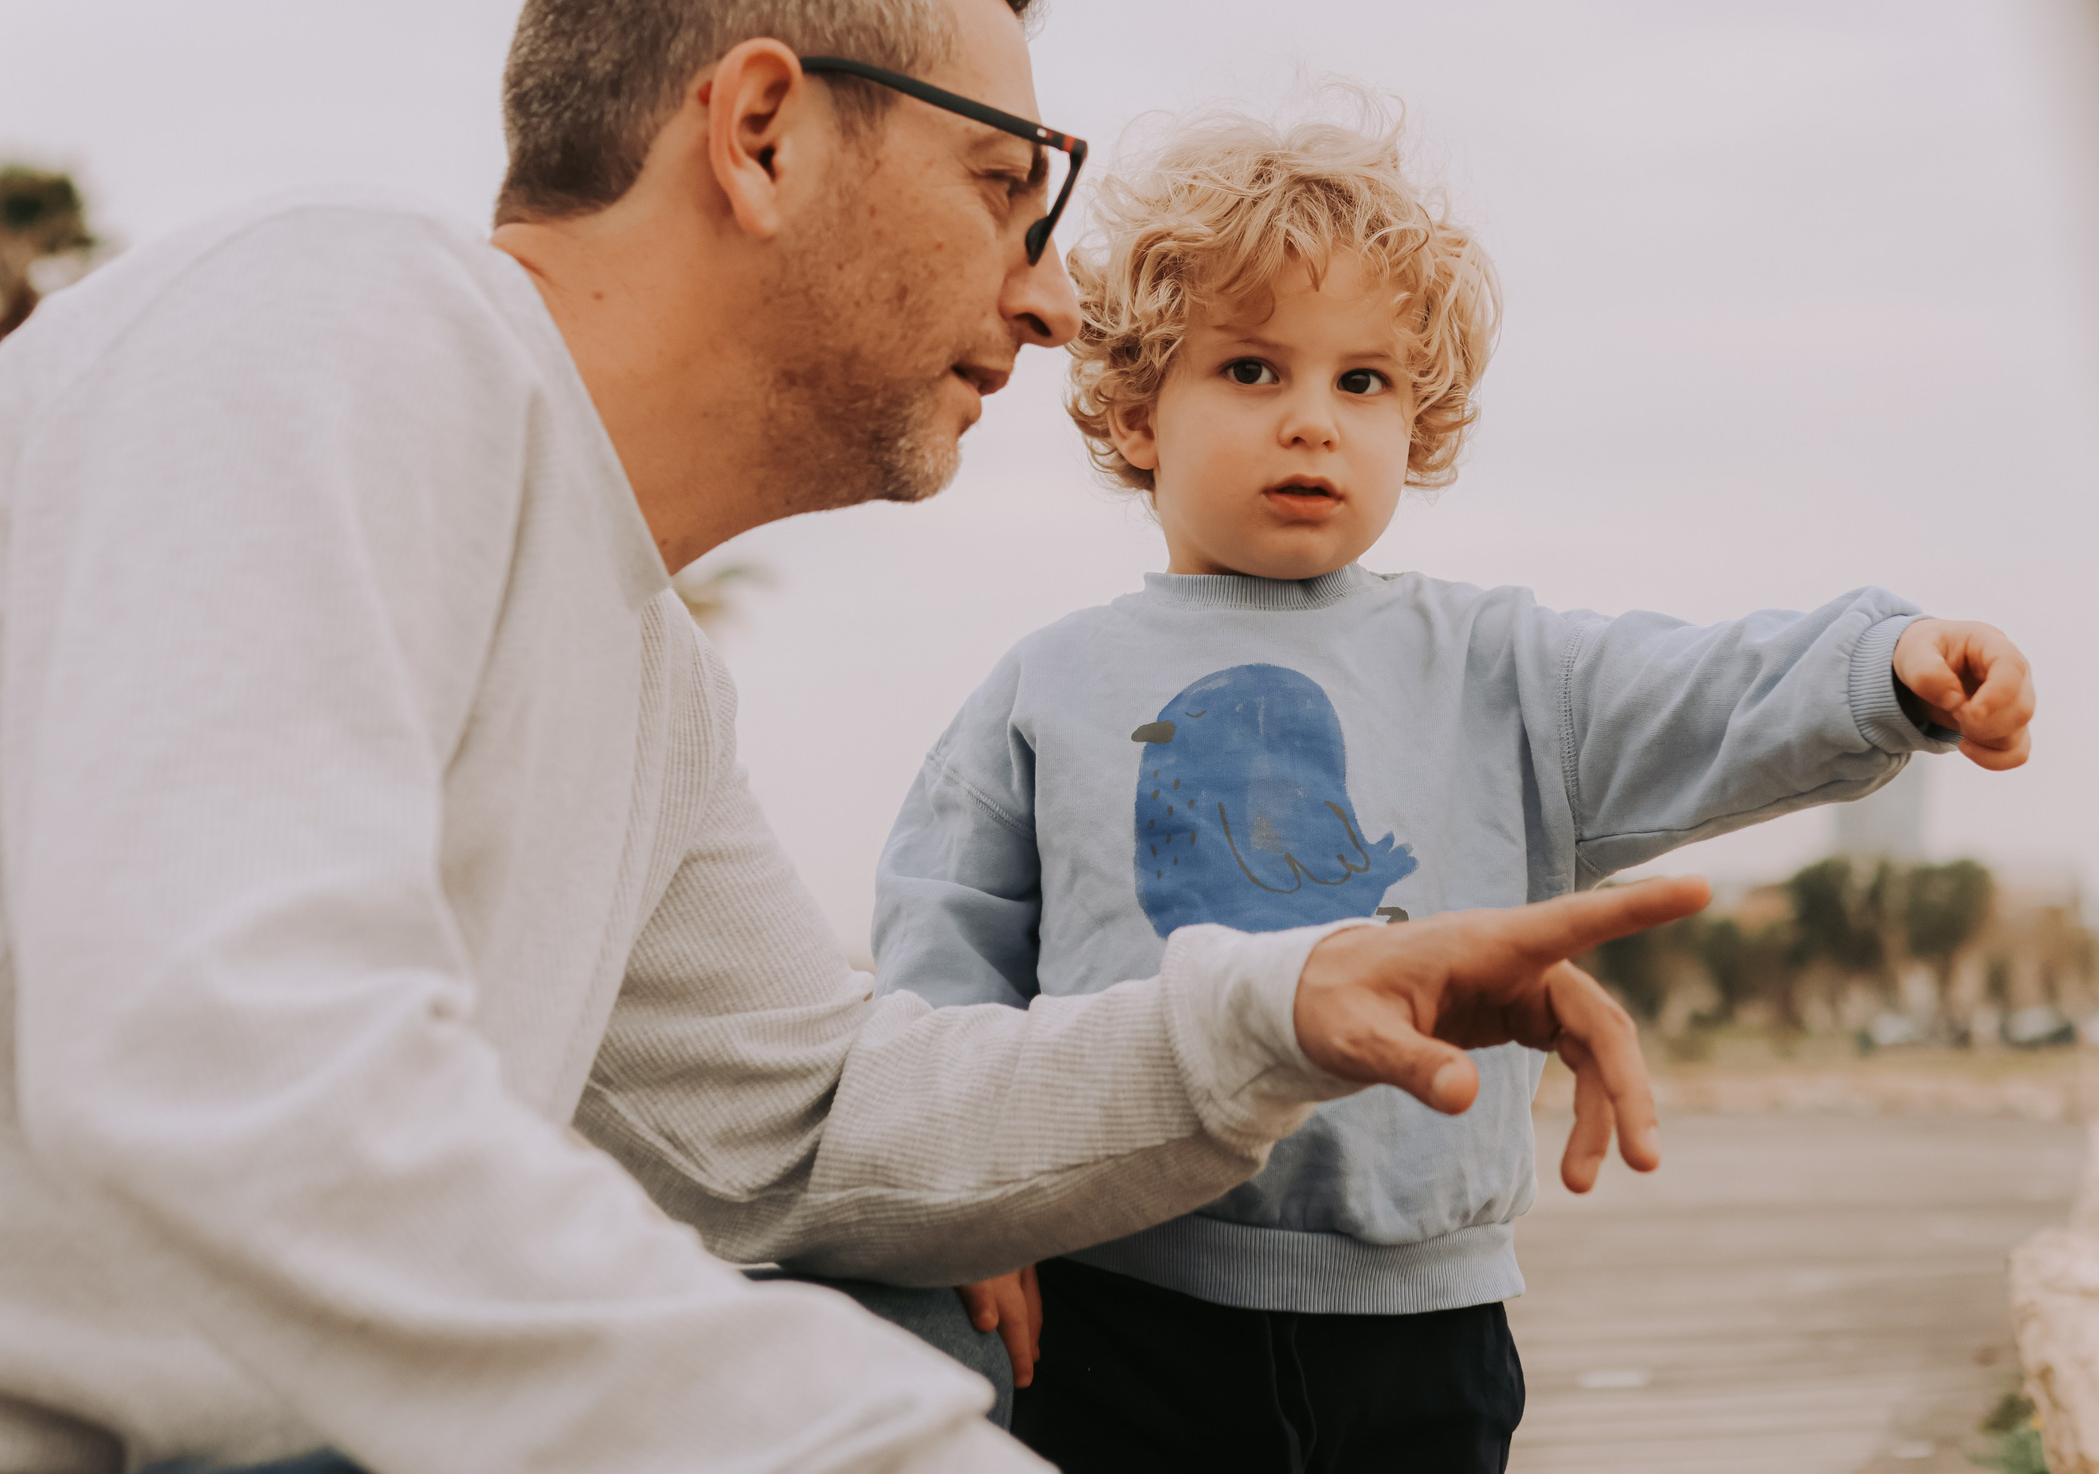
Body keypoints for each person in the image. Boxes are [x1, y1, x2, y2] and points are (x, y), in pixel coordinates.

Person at [0, 0, 1712, 1474]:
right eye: (1003, 185)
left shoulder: (644, 671)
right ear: (761, 133)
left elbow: (825, 1123)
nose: (1051, 297)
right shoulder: (336, 320)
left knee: (910, 1318)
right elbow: (230, 1056)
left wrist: (1284, 1008)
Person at [868, 106, 2040, 1472]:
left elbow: (1697, 688)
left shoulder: (1498, 668)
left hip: (1421, 1320)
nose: (1314, 421)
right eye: (1251, 369)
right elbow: (944, 955)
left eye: (1364, 381)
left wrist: (1884, 667)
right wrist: (965, 1210)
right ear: (1137, 411)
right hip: (1117, 1300)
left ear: (1415, 421)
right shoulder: (1048, 684)